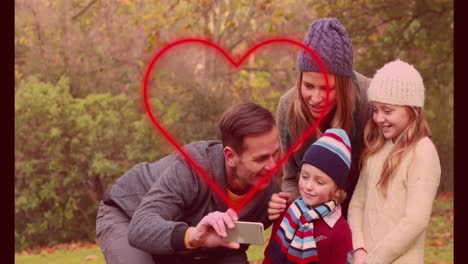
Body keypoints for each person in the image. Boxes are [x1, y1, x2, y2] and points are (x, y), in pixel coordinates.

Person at [96, 102, 282, 264]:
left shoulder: (269, 195)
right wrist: (193, 236)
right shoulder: (192, 168)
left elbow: (231, 248)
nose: (274, 166)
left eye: (276, 154)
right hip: (129, 214)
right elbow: (140, 228)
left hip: (181, 238)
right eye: (261, 159)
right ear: (230, 156)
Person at [269, 17, 372, 221]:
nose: (316, 99)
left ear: (344, 85)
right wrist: (290, 207)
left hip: (364, 212)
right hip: (312, 217)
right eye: (308, 86)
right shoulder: (287, 106)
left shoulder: (369, 98)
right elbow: (290, 177)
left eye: (327, 88)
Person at [347, 59, 441, 263]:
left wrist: (375, 260)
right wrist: (360, 249)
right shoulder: (375, 149)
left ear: (412, 110)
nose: (379, 118)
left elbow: (415, 221)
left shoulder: (423, 152)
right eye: (375, 110)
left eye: (387, 111)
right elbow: (357, 204)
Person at [263, 128, 353, 263]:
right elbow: (270, 257)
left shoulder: (340, 230)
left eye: (319, 182)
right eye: (305, 177)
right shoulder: (288, 213)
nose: (308, 186)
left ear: (336, 189)